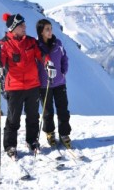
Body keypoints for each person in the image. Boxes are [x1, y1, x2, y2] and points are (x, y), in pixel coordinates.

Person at [0, 13, 56, 158]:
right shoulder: (3, 44)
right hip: (14, 87)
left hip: (33, 85)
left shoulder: (31, 42)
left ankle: (32, 141)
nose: (25, 27)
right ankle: (10, 146)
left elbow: (41, 55)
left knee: (33, 116)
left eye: (24, 25)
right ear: (13, 28)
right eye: (22, 25)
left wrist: (48, 63)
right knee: (13, 118)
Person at [36, 19, 72, 148]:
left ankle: (64, 134)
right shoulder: (36, 46)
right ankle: (50, 133)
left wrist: (63, 71)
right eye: (47, 29)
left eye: (51, 28)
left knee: (63, 110)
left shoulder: (58, 43)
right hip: (44, 85)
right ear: (41, 31)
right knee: (47, 111)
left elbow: (64, 58)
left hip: (59, 82)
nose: (50, 31)